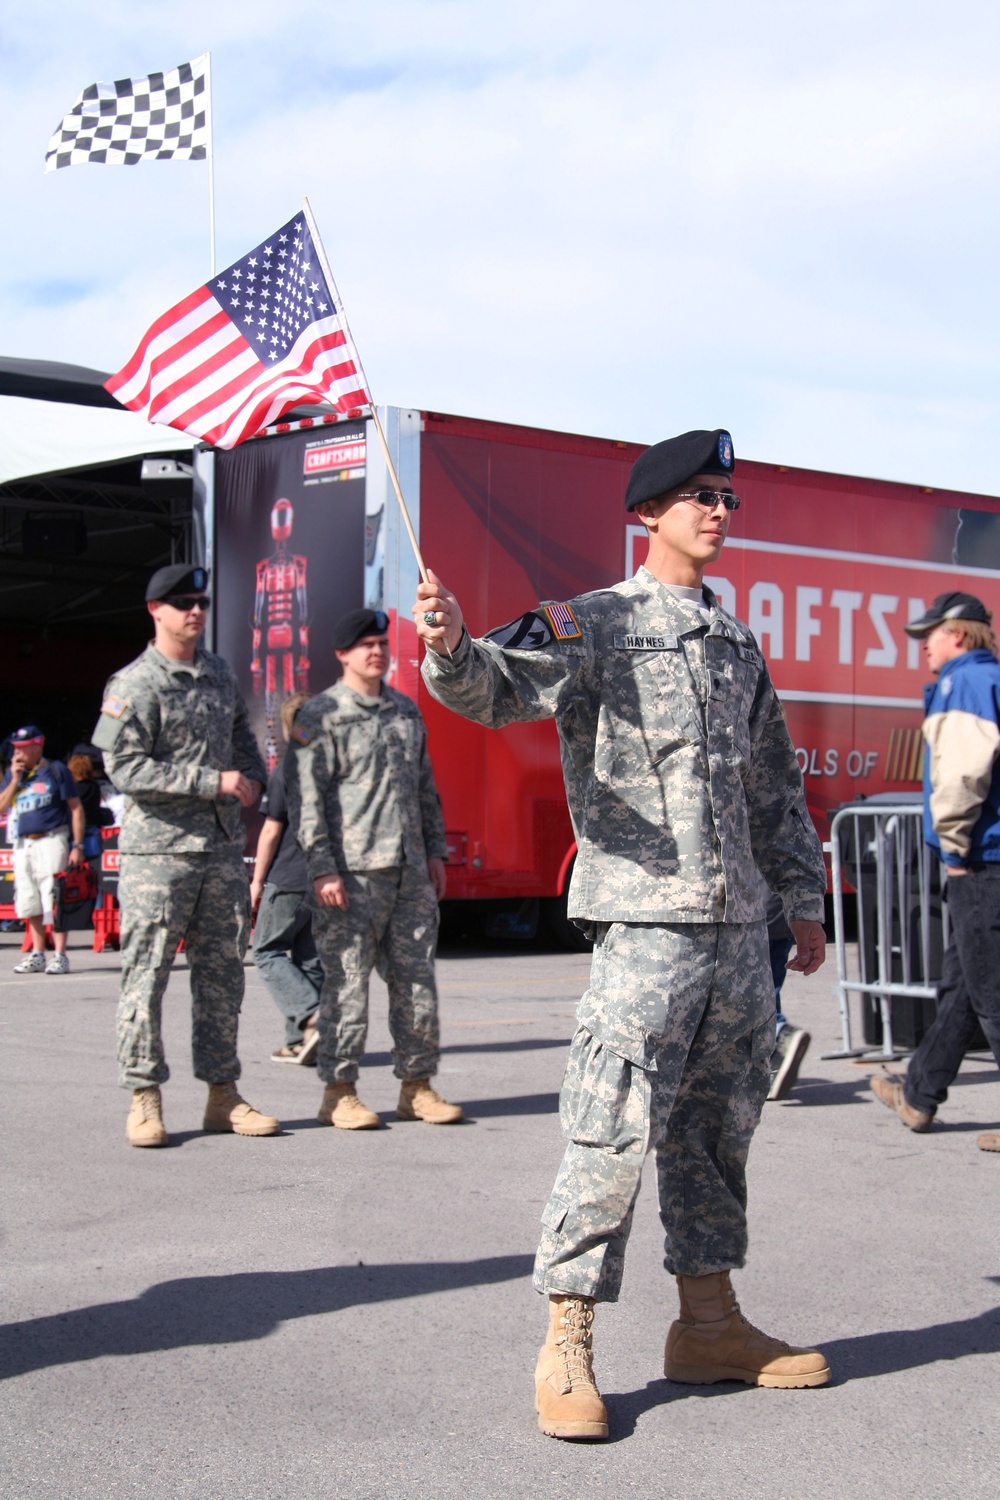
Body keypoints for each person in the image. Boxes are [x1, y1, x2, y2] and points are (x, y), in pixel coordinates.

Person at [414, 428, 831, 1441]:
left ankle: (707, 1325)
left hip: (738, 928)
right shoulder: (594, 623)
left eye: (726, 496)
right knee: (609, 1127)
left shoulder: (735, 643)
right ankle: (566, 1342)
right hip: (645, 920)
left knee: (717, 1132)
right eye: (697, 495)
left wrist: (801, 896)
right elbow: (493, 689)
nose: (718, 511)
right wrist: (446, 646)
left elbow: (774, 779)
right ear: (645, 513)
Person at [91, 563, 280, 1149]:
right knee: (145, 976)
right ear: (155, 612)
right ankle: (144, 1095)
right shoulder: (132, 684)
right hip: (158, 855)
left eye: (199, 601)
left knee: (223, 978)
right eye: (180, 603)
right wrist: (212, 782)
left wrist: (250, 778)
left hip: (220, 853)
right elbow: (122, 767)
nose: (194, 611)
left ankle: (222, 1093)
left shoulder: (219, 675)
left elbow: (246, 747)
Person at [285, 607, 462, 1129]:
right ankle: (339, 1091)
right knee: (345, 985)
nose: (377, 651)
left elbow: (425, 789)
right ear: (342, 654)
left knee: (416, 984)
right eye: (365, 644)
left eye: (382, 642)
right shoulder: (318, 718)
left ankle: (417, 1086)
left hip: (408, 872)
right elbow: (306, 801)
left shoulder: (405, 712)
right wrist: (321, 869)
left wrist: (435, 852)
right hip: (350, 874)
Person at [870, 591, 1000, 1155]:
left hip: (980, 859)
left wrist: (951, 847)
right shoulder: (988, 678)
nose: (923, 644)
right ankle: (919, 1094)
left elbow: (961, 778)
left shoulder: (962, 682)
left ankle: (919, 1093)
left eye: (931, 633)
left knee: (989, 989)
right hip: (989, 857)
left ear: (960, 634)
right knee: (964, 984)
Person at [250, 691, 323, 1064]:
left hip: (290, 875)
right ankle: (302, 1041)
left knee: (265, 950)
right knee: (309, 956)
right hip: (325, 877)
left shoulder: (287, 769)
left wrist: (256, 881)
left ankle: (311, 1014)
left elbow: (271, 831)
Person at [0, 725, 85, 975]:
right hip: (23, 842)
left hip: (52, 838)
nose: (19, 753)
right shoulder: (13, 774)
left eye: (23, 748)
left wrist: (77, 845)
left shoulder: (56, 770)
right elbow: (2, 807)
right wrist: (15, 779)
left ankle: (60, 955)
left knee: (54, 897)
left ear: (38, 747)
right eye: (16, 748)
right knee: (28, 899)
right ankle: (38, 953)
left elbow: (76, 807)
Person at [765, 892, 811, 1101]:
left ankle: (778, 1030)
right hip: (781, 913)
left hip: (756, 913)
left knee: (756, 995)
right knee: (769, 986)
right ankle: (770, 1069)